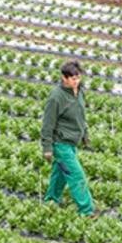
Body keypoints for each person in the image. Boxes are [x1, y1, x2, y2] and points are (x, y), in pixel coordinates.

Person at [40, 60, 93, 216]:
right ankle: (86, 210)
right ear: (64, 78)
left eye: (78, 77)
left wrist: (85, 134)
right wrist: (47, 148)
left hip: (72, 142)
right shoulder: (56, 97)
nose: (76, 81)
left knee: (60, 173)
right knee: (77, 176)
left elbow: (81, 116)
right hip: (60, 144)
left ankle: (51, 201)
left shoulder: (80, 91)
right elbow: (47, 124)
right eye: (73, 79)